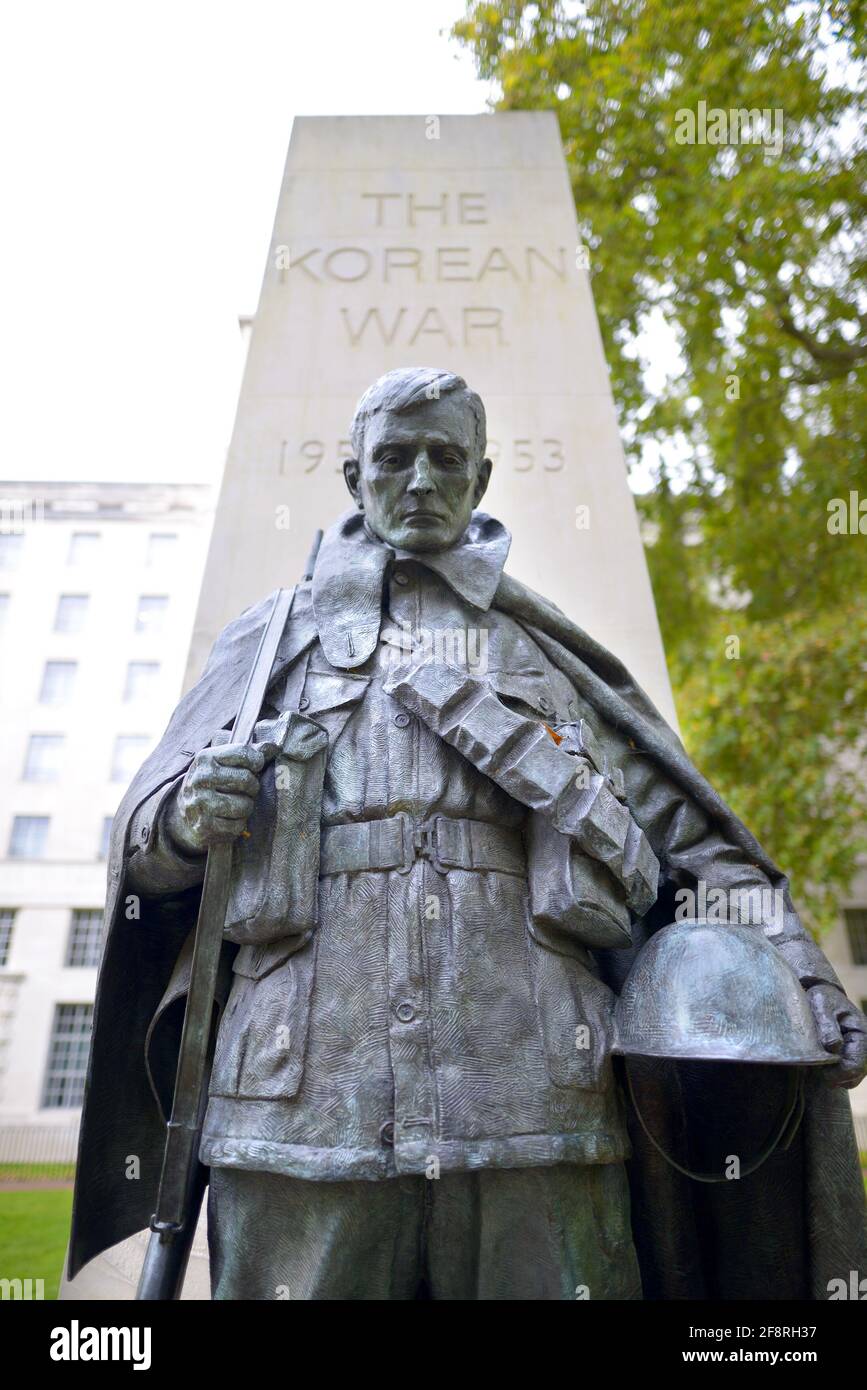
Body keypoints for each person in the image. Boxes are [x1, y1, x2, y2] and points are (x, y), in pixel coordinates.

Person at [69, 368, 867, 1300]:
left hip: (531, 1095)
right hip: (301, 1104)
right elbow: (138, 838)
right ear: (351, 475)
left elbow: (694, 837)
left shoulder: (543, 651)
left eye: (446, 459)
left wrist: (802, 967)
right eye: (394, 458)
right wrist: (182, 816)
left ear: (481, 479)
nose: (419, 482)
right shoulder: (268, 640)